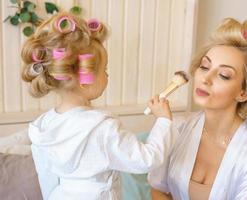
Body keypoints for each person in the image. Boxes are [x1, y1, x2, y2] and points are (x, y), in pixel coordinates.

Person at [21, 12, 178, 200]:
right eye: (104, 69)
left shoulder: (43, 126)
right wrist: (163, 120)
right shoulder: (101, 128)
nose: (107, 75)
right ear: (85, 80)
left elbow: (47, 179)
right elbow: (146, 159)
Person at [148, 18, 247, 200]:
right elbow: (158, 190)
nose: (206, 78)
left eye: (223, 75)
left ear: (243, 93)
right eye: (205, 66)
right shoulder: (176, 129)